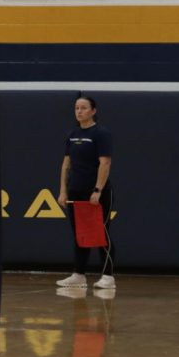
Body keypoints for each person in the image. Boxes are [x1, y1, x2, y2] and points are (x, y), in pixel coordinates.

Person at [56, 95, 115, 290]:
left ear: (93, 111)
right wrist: (63, 191)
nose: (79, 111)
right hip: (75, 191)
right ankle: (79, 275)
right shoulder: (72, 134)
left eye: (83, 108)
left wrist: (97, 189)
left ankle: (108, 276)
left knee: (101, 231)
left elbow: (105, 163)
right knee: (79, 233)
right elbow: (66, 165)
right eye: (76, 108)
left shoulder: (101, 133)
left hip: (96, 192)